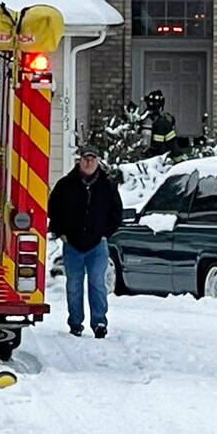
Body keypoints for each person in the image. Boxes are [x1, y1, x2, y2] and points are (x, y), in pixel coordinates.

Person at [47, 144, 125, 338]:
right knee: (74, 284)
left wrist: (106, 233)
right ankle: (75, 322)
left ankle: (99, 322)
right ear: (79, 161)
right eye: (85, 159)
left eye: (92, 159)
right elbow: (53, 210)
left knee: (97, 283)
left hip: (98, 244)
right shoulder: (65, 185)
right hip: (72, 244)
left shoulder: (107, 186)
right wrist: (60, 232)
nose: (89, 162)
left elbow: (117, 213)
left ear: (98, 161)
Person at [140, 90, 180, 161]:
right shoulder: (162, 122)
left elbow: (159, 146)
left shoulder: (158, 122)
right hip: (156, 160)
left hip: (152, 161)